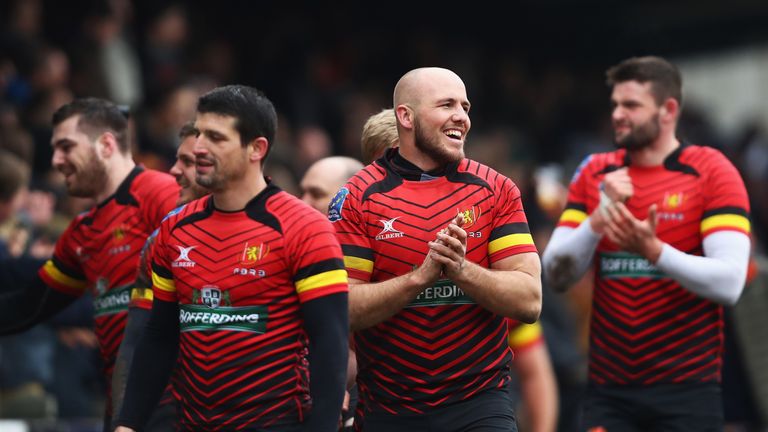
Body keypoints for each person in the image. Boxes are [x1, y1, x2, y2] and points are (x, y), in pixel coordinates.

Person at [115, 85, 349, 432]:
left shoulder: (305, 228)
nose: (198, 149)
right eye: (198, 135)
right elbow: (160, 336)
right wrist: (128, 424)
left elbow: (329, 342)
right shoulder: (175, 228)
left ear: (257, 148)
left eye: (216, 138)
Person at [541, 56, 751, 431]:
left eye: (631, 105)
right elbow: (555, 274)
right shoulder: (595, 171)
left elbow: (730, 283)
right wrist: (597, 220)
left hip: (688, 387)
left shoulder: (711, 170)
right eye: (616, 104)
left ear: (668, 110)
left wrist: (654, 251)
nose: (618, 114)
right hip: (608, 391)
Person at [331, 67, 542, 431]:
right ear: (405, 116)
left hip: (480, 403)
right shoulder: (357, 196)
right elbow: (340, 309)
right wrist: (419, 279)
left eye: (465, 106)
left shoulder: (496, 189)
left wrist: (461, 270)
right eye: (446, 105)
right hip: (388, 406)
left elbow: (529, 301)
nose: (461, 116)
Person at [0, 98, 181, 428]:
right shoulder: (81, 233)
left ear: (106, 144)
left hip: (176, 399)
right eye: (55, 149)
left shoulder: (160, 194)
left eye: (66, 147)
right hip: (122, 404)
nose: (56, 160)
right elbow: (30, 306)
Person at [110, 121, 208, 430]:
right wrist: (123, 423)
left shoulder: (281, 229)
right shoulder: (162, 240)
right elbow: (138, 340)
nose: (175, 171)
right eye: (178, 159)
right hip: (171, 413)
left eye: (189, 162)